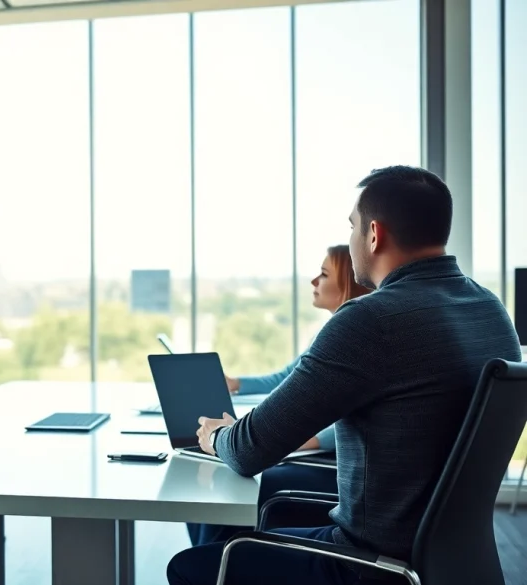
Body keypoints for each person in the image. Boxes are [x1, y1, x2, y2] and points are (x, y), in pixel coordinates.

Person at [169, 165, 522, 585]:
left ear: (374, 234)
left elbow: (250, 450)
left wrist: (215, 436)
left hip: (365, 565)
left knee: (190, 567)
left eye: (352, 227)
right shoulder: (491, 310)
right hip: (452, 560)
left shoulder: (371, 320)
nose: (352, 239)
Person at [187, 245, 371, 546]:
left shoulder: (356, 336)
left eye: (323, 275)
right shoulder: (338, 331)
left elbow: (359, 417)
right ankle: (213, 560)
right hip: (321, 465)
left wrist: (296, 440)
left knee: (223, 481)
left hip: (331, 471)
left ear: (347, 285)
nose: (314, 282)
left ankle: (218, 562)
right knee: (214, 485)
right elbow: (290, 376)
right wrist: (236, 384)